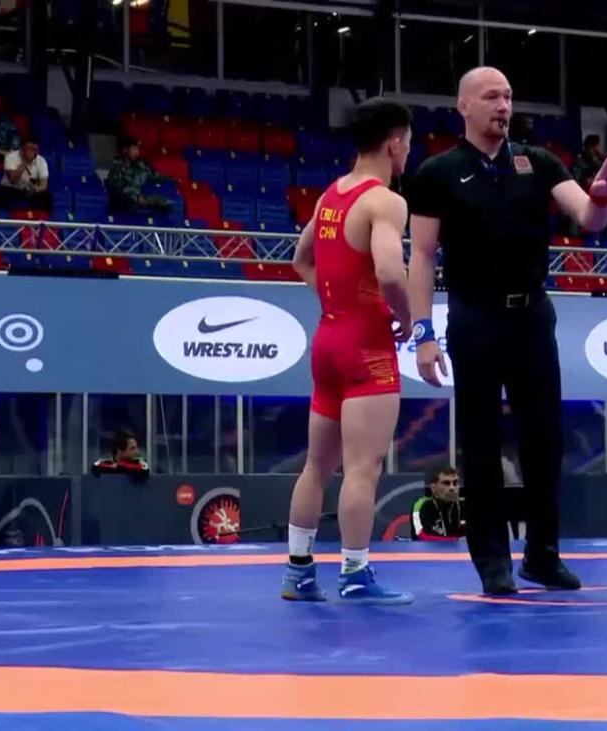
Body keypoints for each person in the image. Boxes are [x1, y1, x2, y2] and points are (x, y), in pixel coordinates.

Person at [407, 67, 607, 595]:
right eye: (492, 97)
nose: (503, 105)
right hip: (474, 317)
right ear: (464, 106)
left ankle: (542, 555)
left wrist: (602, 195)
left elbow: (589, 218)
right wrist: (423, 333)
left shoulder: (540, 161)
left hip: (531, 316)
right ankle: (492, 560)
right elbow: (421, 255)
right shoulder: (438, 172)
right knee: (480, 442)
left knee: (544, 440)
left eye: (508, 96)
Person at [280, 97, 416, 605]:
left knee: (316, 467)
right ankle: (355, 574)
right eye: (408, 143)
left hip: (329, 339)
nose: (409, 152)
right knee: (362, 468)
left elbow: (300, 260)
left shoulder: (330, 196)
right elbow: (389, 272)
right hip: (366, 347)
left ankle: (298, 573)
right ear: (394, 143)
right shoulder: (385, 201)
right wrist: (405, 317)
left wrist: (338, 303)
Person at [412, 466, 465, 541]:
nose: (452, 488)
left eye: (455, 483)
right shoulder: (421, 506)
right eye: (446, 483)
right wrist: (456, 540)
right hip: (431, 548)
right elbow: (420, 535)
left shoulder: (465, 505)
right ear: (434, 488)